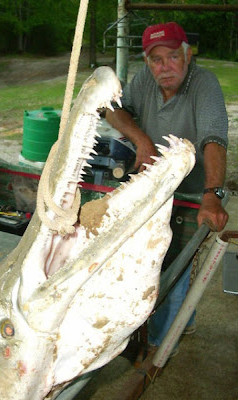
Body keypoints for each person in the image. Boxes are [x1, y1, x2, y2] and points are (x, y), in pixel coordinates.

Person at [105, 22, 229, 353]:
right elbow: (111, 108)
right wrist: (141, 140)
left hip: (192, 191)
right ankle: (178, 322)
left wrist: (213, 196)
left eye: (173, 56)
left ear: (188, 55)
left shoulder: (205, 83)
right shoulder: (145, 80)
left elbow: (214, 138)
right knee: (148, 259)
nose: (165, 66)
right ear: (147, 62)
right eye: (156, 59)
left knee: (175, 261)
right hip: (153, 188)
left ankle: (161, 346)